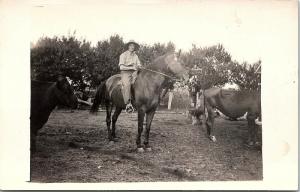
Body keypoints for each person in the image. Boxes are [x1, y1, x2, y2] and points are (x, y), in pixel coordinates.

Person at [119, 40, 142, 113]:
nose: (132, 47)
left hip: (135, 72)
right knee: (127, 84)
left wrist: (139, 66)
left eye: (133, 46)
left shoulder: (136, 56)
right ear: (128, 46)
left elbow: (139, 64)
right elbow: (121, 67)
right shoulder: (123, 55)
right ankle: (128, 104)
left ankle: (141, 101)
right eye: (131, 45)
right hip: (125, 73)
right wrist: (132, 68)